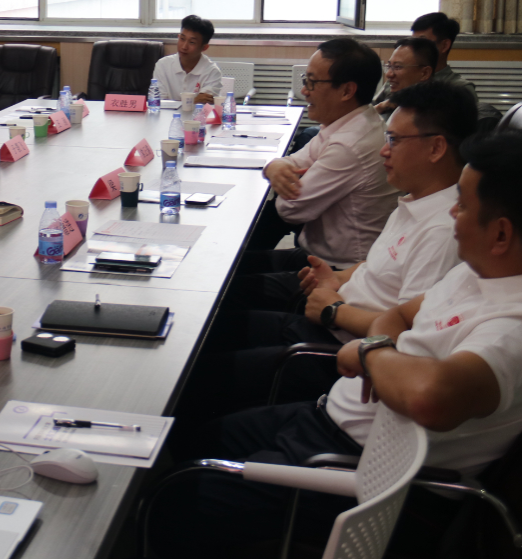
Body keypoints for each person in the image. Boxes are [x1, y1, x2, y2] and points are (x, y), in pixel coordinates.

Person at [149, 130, 522, 557]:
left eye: (464, 205)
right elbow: (398, 316)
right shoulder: (476, 273)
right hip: (331, 416)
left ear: (500, 234)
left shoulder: (511, 328)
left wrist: (370, 352)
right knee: (193, 436)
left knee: (170, 501)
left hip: (367, 473)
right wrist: (384, 351)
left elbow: (429, 397)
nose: (452, 210)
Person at [179, 81, 476, 430]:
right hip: (329, 314)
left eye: (394, 140)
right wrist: (337, 278)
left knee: (198, 375)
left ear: (436, 147)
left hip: (336, 352)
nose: (384, 151)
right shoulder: (417, 199)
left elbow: (407, 333)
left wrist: (334, 310)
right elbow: (381, 266)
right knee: (210, 328)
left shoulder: (443, 231)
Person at [237, 38, 398, 311]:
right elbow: (292, 161)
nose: (304, 90)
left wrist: (281, 171)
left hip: (340, 273)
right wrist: (274, 166)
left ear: (347, 90)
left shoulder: (351, 144)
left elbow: (289, 209)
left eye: (312, 82)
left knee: (228, 290)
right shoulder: (350, 122)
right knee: (229, 262)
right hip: (315, 257)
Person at [152, 15, 223, 105]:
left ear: (204, 47)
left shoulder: (212, 71)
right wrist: (193, 101)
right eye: (182, 39)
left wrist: (183, 104)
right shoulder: (163, 65)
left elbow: (204, 105)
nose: (184, 46)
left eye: (192, 42)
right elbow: (158, 103)